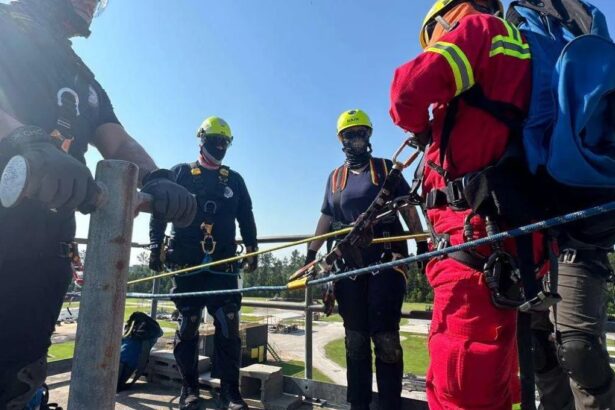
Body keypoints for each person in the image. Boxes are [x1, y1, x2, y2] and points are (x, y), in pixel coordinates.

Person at [0, 1, 197, 408]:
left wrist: (157, 177)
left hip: (41, 255)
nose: (92, 4)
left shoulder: (82, 78)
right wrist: (23, 137)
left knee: (17, 381)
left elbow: (119, 142)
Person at [389, 0, 534, 408]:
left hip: (472, 247)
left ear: (445, 18)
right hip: (500, 245)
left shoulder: (479, 30)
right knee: (492, 386)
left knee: (459, 387)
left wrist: (422, 128)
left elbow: (406, 92)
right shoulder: (517, 49)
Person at [304, 109, 424, 410]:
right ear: (341, 139)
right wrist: (311, 254)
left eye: (362, 133)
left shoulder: (386, 170)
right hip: (348, 267)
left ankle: (389, 405)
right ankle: (357, 404)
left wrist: (422, 245)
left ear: (369, 136)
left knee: (385, 340)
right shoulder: (335, 179)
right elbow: (326, 217)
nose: (357, 139)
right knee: (355, 341)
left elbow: (409, 209)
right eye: (350, 134)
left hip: (385, 263)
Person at [149, 116, 258, 410]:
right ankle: (189, 389)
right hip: (187, 263)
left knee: (228, 327)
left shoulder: (234, 180)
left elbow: (245, 214)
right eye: (215, 141)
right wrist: (155, 244)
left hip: (222, 265)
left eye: (225, 142)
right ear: (202, 140)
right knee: (189, 326)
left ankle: (231, 393)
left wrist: (252, 247)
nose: (220, 146)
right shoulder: (181, 173)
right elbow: (160, 208)